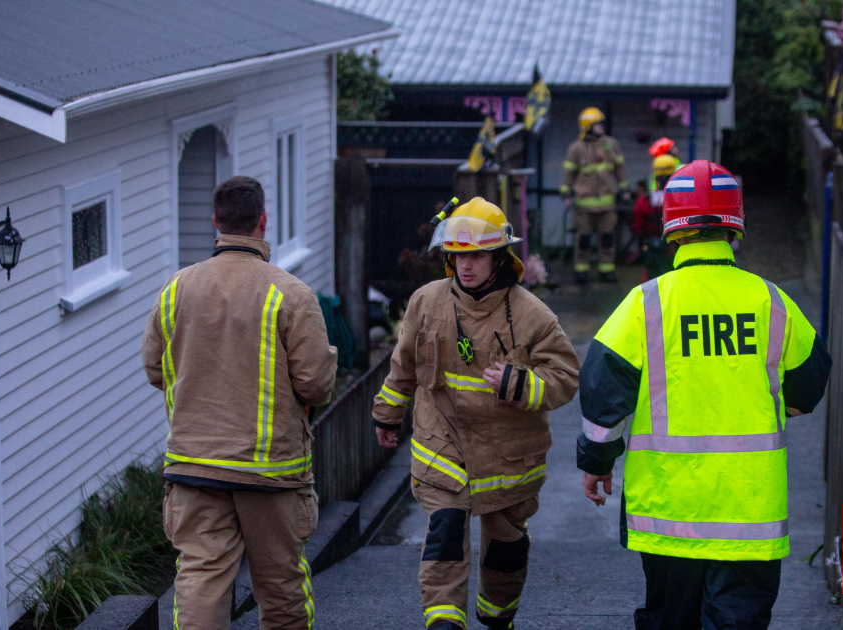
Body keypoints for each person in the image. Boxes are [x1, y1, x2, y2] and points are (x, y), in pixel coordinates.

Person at [576, 160, 832, 630]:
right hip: (749, 512)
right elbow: (809, 385)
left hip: (669, 515)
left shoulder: (645, 304)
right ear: (735, 228)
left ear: (671, 230)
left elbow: (602, 392)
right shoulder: (771, 301)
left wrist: (597, 461)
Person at [373, 198, 580, 630]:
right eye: (458, 256)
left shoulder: (531, 315)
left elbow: (565, 376)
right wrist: (387, 415)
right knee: (445, 535)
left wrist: (521, 385)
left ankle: (496, 615)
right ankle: (444, 622)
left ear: (500, 257)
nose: (465, 266)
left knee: (505, 549)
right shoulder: (426, 303)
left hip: (508, 456)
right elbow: (404, 365)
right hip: (442, 445)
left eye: (477, 255)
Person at [142, 176, 338, 630]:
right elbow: (316, 385)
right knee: (282, 591)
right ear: (262, 221)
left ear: (216, 223)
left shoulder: (176, 290)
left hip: (192, 466)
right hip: (270, 472)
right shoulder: (291, 294)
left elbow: (156, 369)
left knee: (199, 584)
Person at [561, 106, 629, 285]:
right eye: (597, 124)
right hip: (584, 205)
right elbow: (569, 173)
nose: (601, 127)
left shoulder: (611, 144)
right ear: (587, 126)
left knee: (607, 238)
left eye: (601, 124)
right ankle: (581, 271)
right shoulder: (576, 148)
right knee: (583, 239)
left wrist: (624, 188)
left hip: (607, 204)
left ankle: (606, 270)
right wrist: (565, 192)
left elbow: (619, 168)